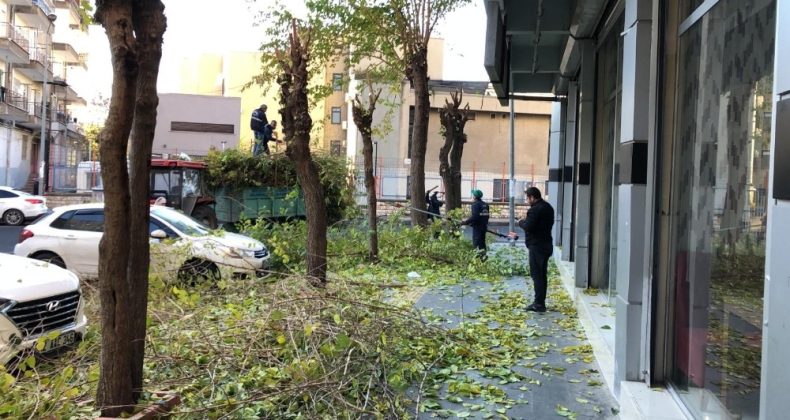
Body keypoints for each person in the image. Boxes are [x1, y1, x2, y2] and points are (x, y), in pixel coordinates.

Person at [518, 187, 555, 312]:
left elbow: (529, 227)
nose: (527, 200)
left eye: (527, 198)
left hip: (537, 246)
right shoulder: (548, 207)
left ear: (532, 197)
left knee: (537, 275)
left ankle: (538, 304)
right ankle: (540, 302)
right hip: (546, 244)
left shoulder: (535, 210)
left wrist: (521, 222)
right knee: (542, 275)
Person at [461, 189, 490, 259]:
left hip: (478, 227)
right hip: (483, 226)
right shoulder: (485, 204)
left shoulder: (475, 205)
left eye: (473, 195)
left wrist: (466, 222)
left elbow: (475, 216)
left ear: (474, 197)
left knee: (476, 243)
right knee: (482, 243)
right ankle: (484, 258)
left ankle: (476, 260)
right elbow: (486, 216)